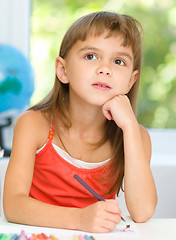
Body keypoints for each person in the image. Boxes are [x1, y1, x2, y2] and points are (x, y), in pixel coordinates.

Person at [3, 11, 157, 233]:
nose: (105, 68)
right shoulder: (33, 124)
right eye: (91, 56)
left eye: (118, 61)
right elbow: (13, 206)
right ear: (63, 70)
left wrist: (130, 127)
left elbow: (142, 212)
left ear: (131, 80)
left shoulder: (135, 136)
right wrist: (78, 218)